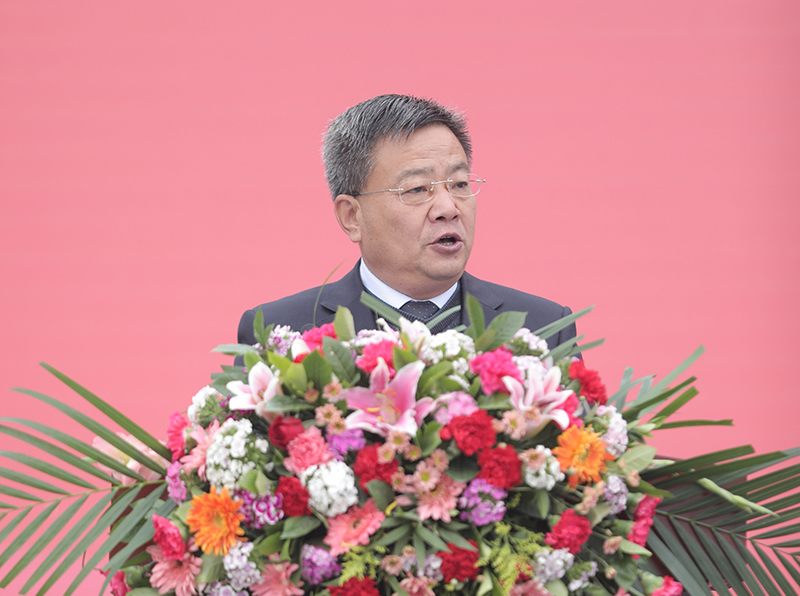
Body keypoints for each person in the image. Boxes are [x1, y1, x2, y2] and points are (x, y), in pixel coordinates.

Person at [238, 94, 576, 348]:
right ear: (352, 216)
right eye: (417, 189)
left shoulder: (543, 329)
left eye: (459, 184)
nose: (448, 208)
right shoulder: (282, 334)